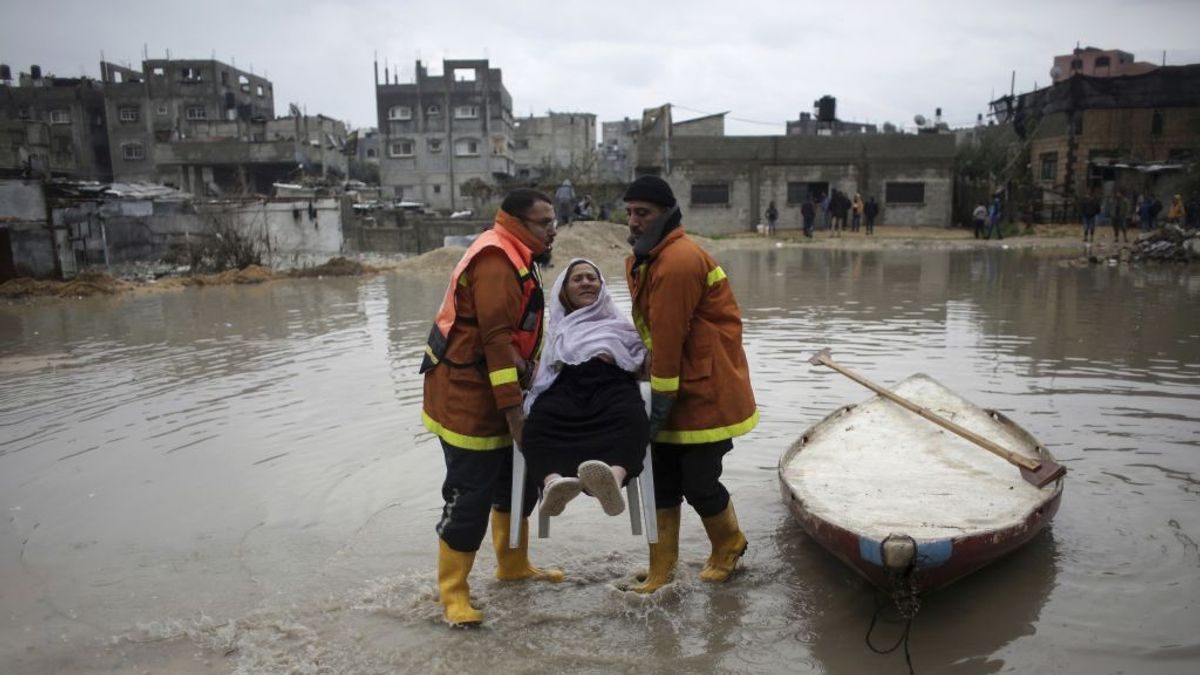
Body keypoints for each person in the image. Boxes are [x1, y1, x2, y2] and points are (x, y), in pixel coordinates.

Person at [419, 188, 561, 627]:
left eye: (555, 221)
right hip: (468, 398)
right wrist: (515, 414)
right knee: (470, 497)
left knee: (515, 485)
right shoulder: (497, 260)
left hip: (497, 393)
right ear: (518, 222)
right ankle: (453, 594)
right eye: (545, 222)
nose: (554, 229)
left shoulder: (520, 254)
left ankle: (512, 565)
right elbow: (496, 343)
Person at [620, 176, 758, 594]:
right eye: (628, 213)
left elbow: (668, 334)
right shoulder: (646, 260)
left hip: (705, 392)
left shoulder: (678, 260)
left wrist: (658, 404)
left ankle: (729, 544)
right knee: (662, 481)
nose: (633, 222)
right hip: (675, 385)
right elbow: (652, 335)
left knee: (699, 482)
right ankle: (662, 570)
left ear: (665, 214)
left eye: (642, 213)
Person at [521, 259, 649, 518]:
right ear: (565, 291)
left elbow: (640, 361)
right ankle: (554, 483)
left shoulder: (621, 324)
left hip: (612, 387)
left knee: (633, 419)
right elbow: (548, 368)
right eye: (577, 279)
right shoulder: (558, 329)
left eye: (592, 278)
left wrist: (620, 356)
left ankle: (612, 479)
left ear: (602, 286)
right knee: (537, 424)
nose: (586, 283)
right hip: (567, 388)